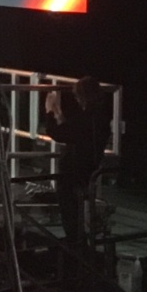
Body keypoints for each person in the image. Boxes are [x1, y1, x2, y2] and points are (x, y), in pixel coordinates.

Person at [45, 77, 109, 246]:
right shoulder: (100, 118)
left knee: (69, 208)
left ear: (83, 97)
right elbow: (73, 132)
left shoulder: (85, 119)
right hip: (90, 168)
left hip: (73, 170)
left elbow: (57, 133)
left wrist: (49, 111)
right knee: (78, 206)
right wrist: (59, 115)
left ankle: (75, 245)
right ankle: (79, 242)